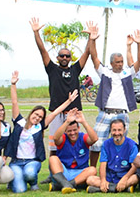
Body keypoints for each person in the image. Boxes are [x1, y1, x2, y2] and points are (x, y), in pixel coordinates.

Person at [28, 17, 95, 159]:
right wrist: (36, 33)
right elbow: (42, 51)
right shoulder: (52, 69)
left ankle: (75, 167)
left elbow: (87, 53)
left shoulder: (75, 69)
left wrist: (91, 37)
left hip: (74, 112)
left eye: (67, 56)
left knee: (75, 142)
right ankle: (53, 173)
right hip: (55, 113)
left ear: (71, 58)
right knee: (54, 145)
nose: (64, 57)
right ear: (57, 58)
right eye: (62, 55)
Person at [5, 71, 75, 193]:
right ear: (31, 113)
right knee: (19, 190)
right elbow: (14, 102)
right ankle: (13, 181)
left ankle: (32, 182)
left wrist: (69, 101)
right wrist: (13, 85)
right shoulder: (19, 122)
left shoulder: (39, 127)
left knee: (30, 173)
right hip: (16, 161)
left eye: (40, 117)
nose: (37, 118)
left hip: (32, 161)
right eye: (36, 114)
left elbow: (55, 112)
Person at [88, 29, 140, 166]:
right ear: (112, 63)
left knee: (121, 144)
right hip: (105, 112)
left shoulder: (127, 72)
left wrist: (139, 44)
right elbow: (94, 57)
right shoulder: (105, 71)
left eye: (121, 62)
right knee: (96, 143)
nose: (120, 64)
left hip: (122, 114)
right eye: (117, 62)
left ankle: (119, 170)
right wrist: (93, 40)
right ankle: (92, 171)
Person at [48, 108, 98, 193]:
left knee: (92, 170)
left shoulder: (83, 137)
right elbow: (56, 138)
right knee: (53, 158)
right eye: (69, 131)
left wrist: (83, 122)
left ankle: (66, 185)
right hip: (64, 172)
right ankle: (65, 183)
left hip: (80, 173)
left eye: (75, 130)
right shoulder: (63, 138)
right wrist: (67, 122)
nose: (72, 133)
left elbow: (94, 139)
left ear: (78, 128)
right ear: (65, 131)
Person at [86, 119, 139, 193]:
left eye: (119, 130)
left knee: (136, 178)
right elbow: (103, 165)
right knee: (90, 179)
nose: (117, 133)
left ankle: (107, 188)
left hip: (124, 176)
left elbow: (134, 166)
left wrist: (124, 178)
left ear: (124, 130)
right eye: (114, 130)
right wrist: (103, 180)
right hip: (110, 177)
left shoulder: (132, 145)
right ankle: (120, 188)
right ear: (110, 130)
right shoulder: (106, 144)